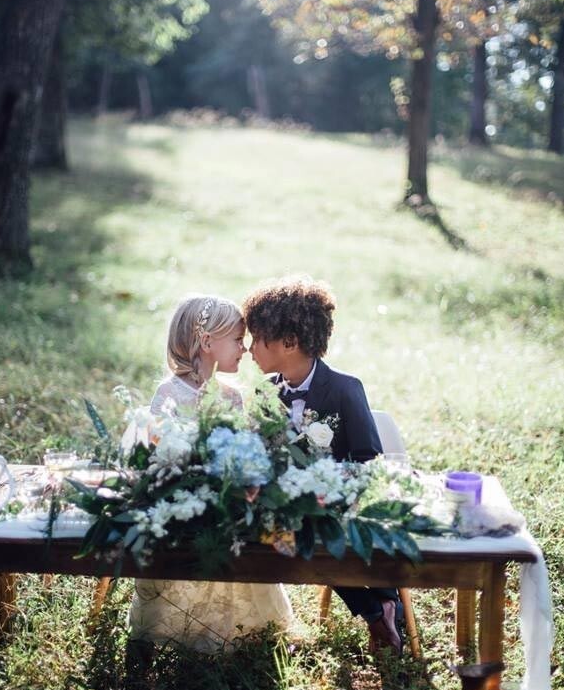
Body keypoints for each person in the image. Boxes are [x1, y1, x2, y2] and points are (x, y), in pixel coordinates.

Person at [242, 275, 404, 655]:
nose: (249, 350)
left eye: (256, 339)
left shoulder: (347, 389)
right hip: (287, 508)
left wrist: (330, 489)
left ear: (289, 342)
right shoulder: (267, 391)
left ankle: (381, 605)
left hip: (341, 502)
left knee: (318, 533)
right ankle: (378, 608)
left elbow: (368, 460)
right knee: (282, 536)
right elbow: (260, 452)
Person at [129, 294, 294, 652]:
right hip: (182, 507)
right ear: (206, 342)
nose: (245, 347)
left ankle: (235, 629)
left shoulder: (232, 397)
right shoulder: (169, 394)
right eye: (237, 339)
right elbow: (158, 458)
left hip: (224, 510)